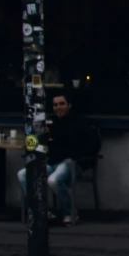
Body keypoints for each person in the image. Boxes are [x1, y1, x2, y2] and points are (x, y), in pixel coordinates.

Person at [18, 90, 100, 224]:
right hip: (52, 162)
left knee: (53, 180)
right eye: (55, 105)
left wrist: (77, 157)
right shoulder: (50, 123)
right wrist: (41, 137)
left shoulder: (80, 123)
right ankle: (41, 211)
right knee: (23, 175)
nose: (58, 107)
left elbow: (95, 144)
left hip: (72, 163)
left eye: (62, 104)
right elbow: (42, 146)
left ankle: (70, 213)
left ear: (69, 105)